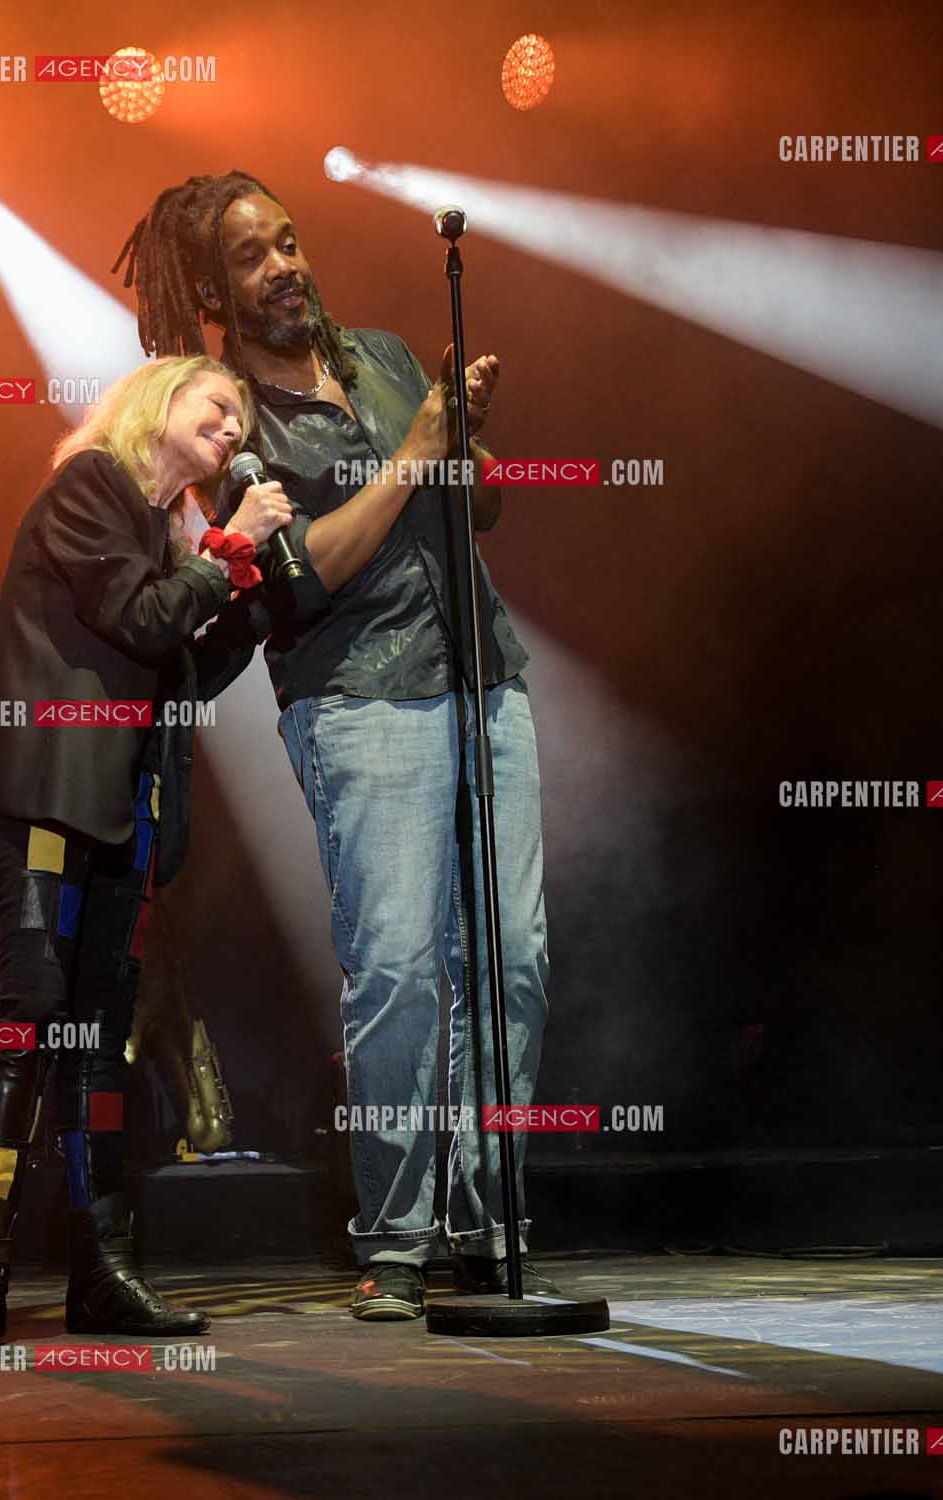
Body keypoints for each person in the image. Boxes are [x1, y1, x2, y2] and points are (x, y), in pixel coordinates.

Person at [114, 171, 558, 1320]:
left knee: (510, 963)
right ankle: (400, 1237)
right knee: (402, 969)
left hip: (482, 675)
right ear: (215, 287)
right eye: (256, 257)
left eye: (293, 244)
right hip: (362, 698)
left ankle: (489, 1220)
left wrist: (467, 449)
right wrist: (414, 453)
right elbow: (302, 572)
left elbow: (487, 511)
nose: (287, 269)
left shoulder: (383, 354)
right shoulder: (232, 423)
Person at [0, 354, 293, 1347]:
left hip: (123, 817)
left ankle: (103, 1268)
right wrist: (224, 557)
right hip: (52, 795)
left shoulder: (166, 532)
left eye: (243, 418)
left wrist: (257, 605)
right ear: (164, 401)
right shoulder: (92, 483)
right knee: (34, 1019)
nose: (233, 426)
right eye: (219, 406)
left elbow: (173, 672)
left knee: (99, 1041)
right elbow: (136, 616)